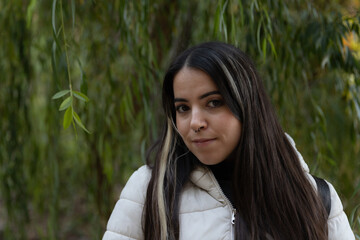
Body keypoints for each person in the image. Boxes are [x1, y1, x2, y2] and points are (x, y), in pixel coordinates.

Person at [103, 42, 354, 239]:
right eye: (183, 108)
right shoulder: (149, 189)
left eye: (213, 103)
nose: (195, 122)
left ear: (247, 106)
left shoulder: (315, 197)